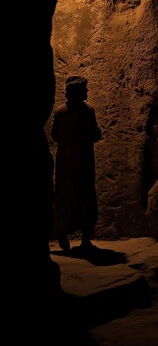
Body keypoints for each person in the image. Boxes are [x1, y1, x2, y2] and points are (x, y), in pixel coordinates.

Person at [51, 76, 102, 250]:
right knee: (86, 195)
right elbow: (96, 135)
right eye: (85, 89)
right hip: (84, 161)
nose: (87, 92)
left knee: (64, 196)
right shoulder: (88, 111)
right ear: (80, 92)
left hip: (65, 162)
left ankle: (62, 233)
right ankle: (85, 238)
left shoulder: (59, 112)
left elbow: (55, 136)